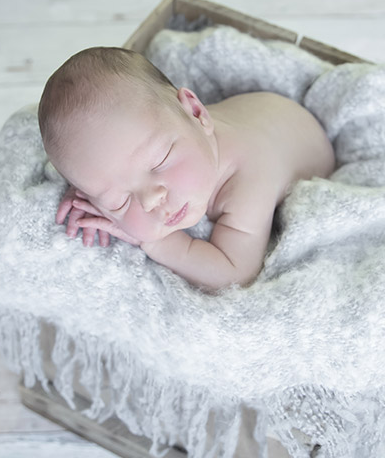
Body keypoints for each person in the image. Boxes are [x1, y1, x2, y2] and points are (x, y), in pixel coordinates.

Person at [39, 46, 335, 292]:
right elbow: (108, 161)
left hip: (308, 143)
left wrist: (158, 242)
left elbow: (237, 272)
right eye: (120, 199)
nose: (150, 201)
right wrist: (87, 194)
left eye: (160, 161)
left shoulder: (246, 182)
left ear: (196, 112)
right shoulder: (171, 141)